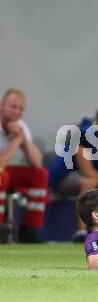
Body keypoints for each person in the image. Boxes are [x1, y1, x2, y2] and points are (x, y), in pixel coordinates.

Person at [49, 107, 98, 242]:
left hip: (93, 173)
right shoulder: (83, 135)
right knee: (89, 183)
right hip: (64, 175)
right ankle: (82, 232)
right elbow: (87, 171)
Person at [0, 88, 48, 243]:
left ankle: (30, 228)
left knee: (40, 174)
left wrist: (24, 141)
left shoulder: (20, 125)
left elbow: (37, 162)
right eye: (13, 107)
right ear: (2, 105)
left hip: (5, 172)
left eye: (21, 109)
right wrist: (17, 139)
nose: (17, 112)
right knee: (2, 175)